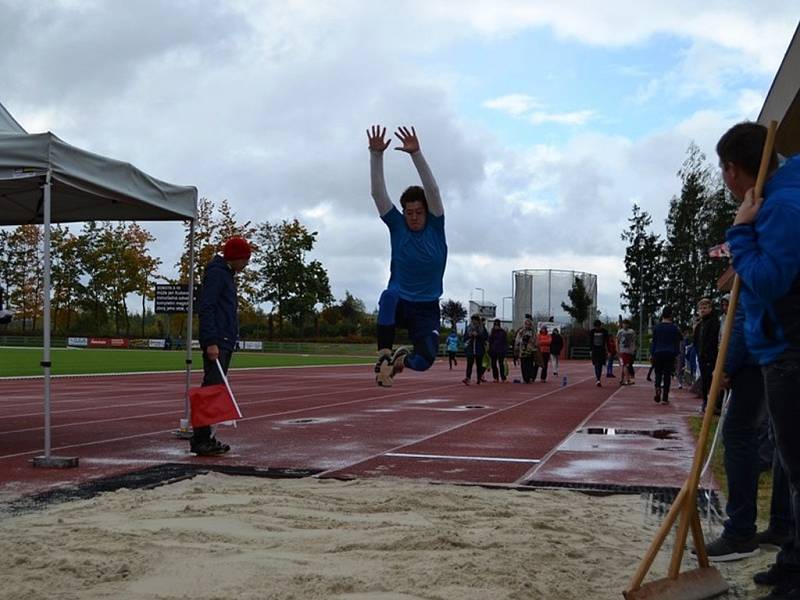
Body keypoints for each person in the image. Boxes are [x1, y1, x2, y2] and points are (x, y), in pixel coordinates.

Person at [718, 121, 800, 598]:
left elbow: (767, 281)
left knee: (794, 462)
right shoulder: (783, 193)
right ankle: (790, 556)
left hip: (790, 347)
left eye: (725, 171)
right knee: (792, 459)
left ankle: (792, 572)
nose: (725, 181)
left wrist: (741, 233)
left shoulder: (783, 207)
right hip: (782, 344)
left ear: (737, 169)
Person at [701, 302, 791, 562]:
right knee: (782, 439)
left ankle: (740, 533)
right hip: (783, 351)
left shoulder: (759, 261)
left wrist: (727, 365)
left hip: (760, 357)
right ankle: (782, 525)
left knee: (740, 435)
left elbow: (749, 310)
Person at [368, 125, 446, 387]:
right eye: (409, 212)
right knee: (388, 295)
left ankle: (401, 362)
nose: (413, 217)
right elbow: (378, 194)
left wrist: (417, 155)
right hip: (401, 301)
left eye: (418, 212)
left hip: (427, 308)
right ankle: (385, 355)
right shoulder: (397, 226)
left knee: (425, 361)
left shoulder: (435, 225)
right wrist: (376, 155)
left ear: (427, 212)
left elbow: (433, 191)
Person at [192, 236, 251, 456]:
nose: (246, 264)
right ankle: (201, 439)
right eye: (244, 259)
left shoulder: (226, 274)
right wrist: (211, 342)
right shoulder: (217, 274)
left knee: (215, 391)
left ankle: (207, 437)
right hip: (218, 341)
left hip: (225, 339)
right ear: (235, 257)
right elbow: (207, 308)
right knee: (211, 390)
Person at [693, 297, 720, 413]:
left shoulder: (714, 322)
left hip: (711, 356)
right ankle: (705, 401)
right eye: (701, 308)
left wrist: (706, 351)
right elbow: (696, 341)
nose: (702, 310)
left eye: (705, 308)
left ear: (710, 308)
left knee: (711, 379)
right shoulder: (699, 326)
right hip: (701, 356)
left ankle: (712, 402)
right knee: (704, 379)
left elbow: (713, 339)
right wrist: (699, 352)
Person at [650, 307, 681, 404]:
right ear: (671, 315)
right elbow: (677, 342)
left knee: (658, 373)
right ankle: (665, 398)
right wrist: (676, 354)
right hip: (670, 353)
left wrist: (652, 354)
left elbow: (654, 342)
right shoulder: (674, 328)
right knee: (667, 375)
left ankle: (657, 387)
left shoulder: (657, 328)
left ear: (662, 315)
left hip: (658, 352)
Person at [463, 314, 488, 385]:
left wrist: (478, 335)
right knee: (469, 364)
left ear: (478, 320)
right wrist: (470, 335)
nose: (474, 321)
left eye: (475, 320)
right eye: (473, 320)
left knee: (479, 365)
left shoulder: (482, 328)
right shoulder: (468, 328)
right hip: (470, 349)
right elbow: (465, 338)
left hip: (479, 349)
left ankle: (479, 378)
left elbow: (485, 338)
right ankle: (468, 378)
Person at [514, 316, 538, 383]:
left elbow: (535, 340)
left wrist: (533, 344)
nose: (528, 326)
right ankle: (525, 378)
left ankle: (530, 377)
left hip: (530, 350)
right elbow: (517, 339)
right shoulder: (521, 331)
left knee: (530, 364)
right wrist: (517, 346)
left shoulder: (533, 332)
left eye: (529, 324)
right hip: (523, 350)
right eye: (526, 324)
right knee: (523, 365)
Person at [589, 320, 609, 387]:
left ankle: (598, 379)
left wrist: (607, 351)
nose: (597, 328)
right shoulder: (592, 331)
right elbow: (590, 341)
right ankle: (598, 379)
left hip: (602, 350)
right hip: (595, 350)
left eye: (598, 326)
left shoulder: (604, 331)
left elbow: (607, 341)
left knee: (600, 365)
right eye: (596, 327)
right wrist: (590, 350)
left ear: (601, 325)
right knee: (596, 365)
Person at [488, 318, 508, 383]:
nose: (496, 326)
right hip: (493, 351)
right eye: (495, 324)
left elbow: (505, 342)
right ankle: (495, 377)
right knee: (493, 365)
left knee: (501, 364)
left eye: (497, 324)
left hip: (500, 350)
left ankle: (503, 378)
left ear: (499, 325)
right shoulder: (492, 332)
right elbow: (490, 341)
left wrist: (505, 351)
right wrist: (490, 350)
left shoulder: (503, 332)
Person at [617, 320, 637, 385]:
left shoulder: (632, 331)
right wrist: (618, 350)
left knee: (623, 365)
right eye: (624, 324)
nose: (625, 325)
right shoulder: (620, 331)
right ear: (622, 325)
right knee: (625, 365)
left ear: (628, 324)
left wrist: (633, 349)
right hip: (622, 351)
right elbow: (617, 341)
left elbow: (633, 341)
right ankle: (628, 379)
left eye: (626, 324)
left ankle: (621, 379)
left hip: (629, 351)